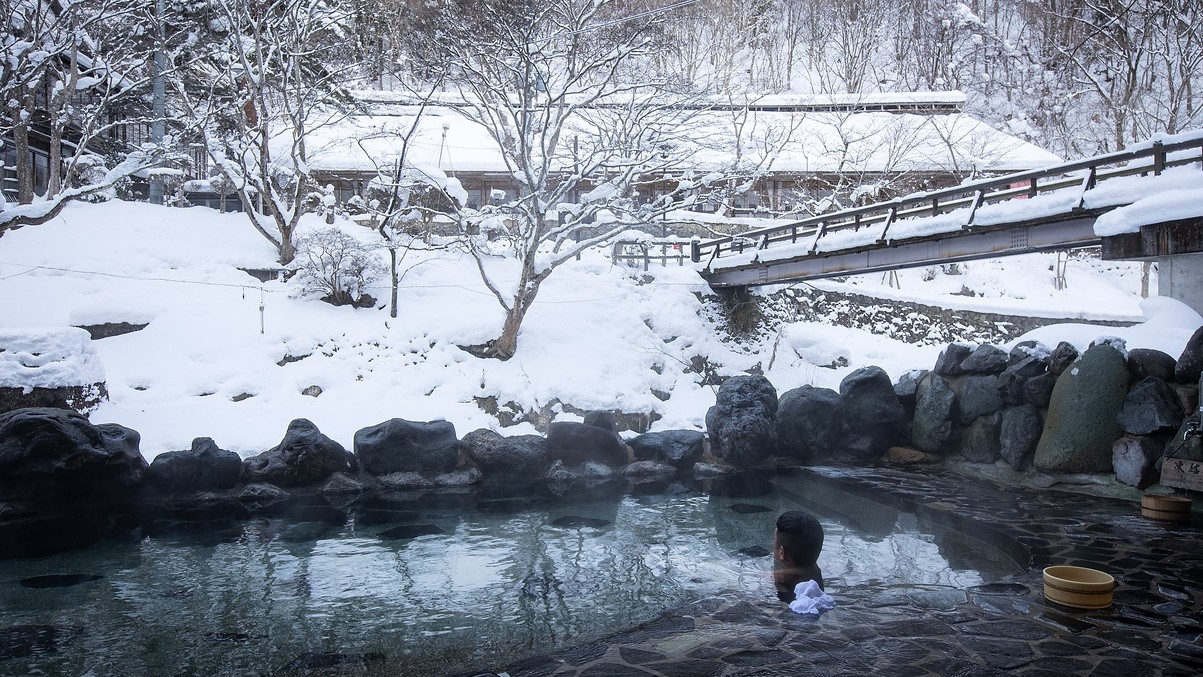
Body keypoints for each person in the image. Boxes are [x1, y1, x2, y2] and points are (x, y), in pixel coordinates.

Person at [772, 509, 824, 603]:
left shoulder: (783, 578)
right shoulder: (814, 570)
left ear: (782, 553)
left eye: (774, 541)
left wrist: (777, 581)